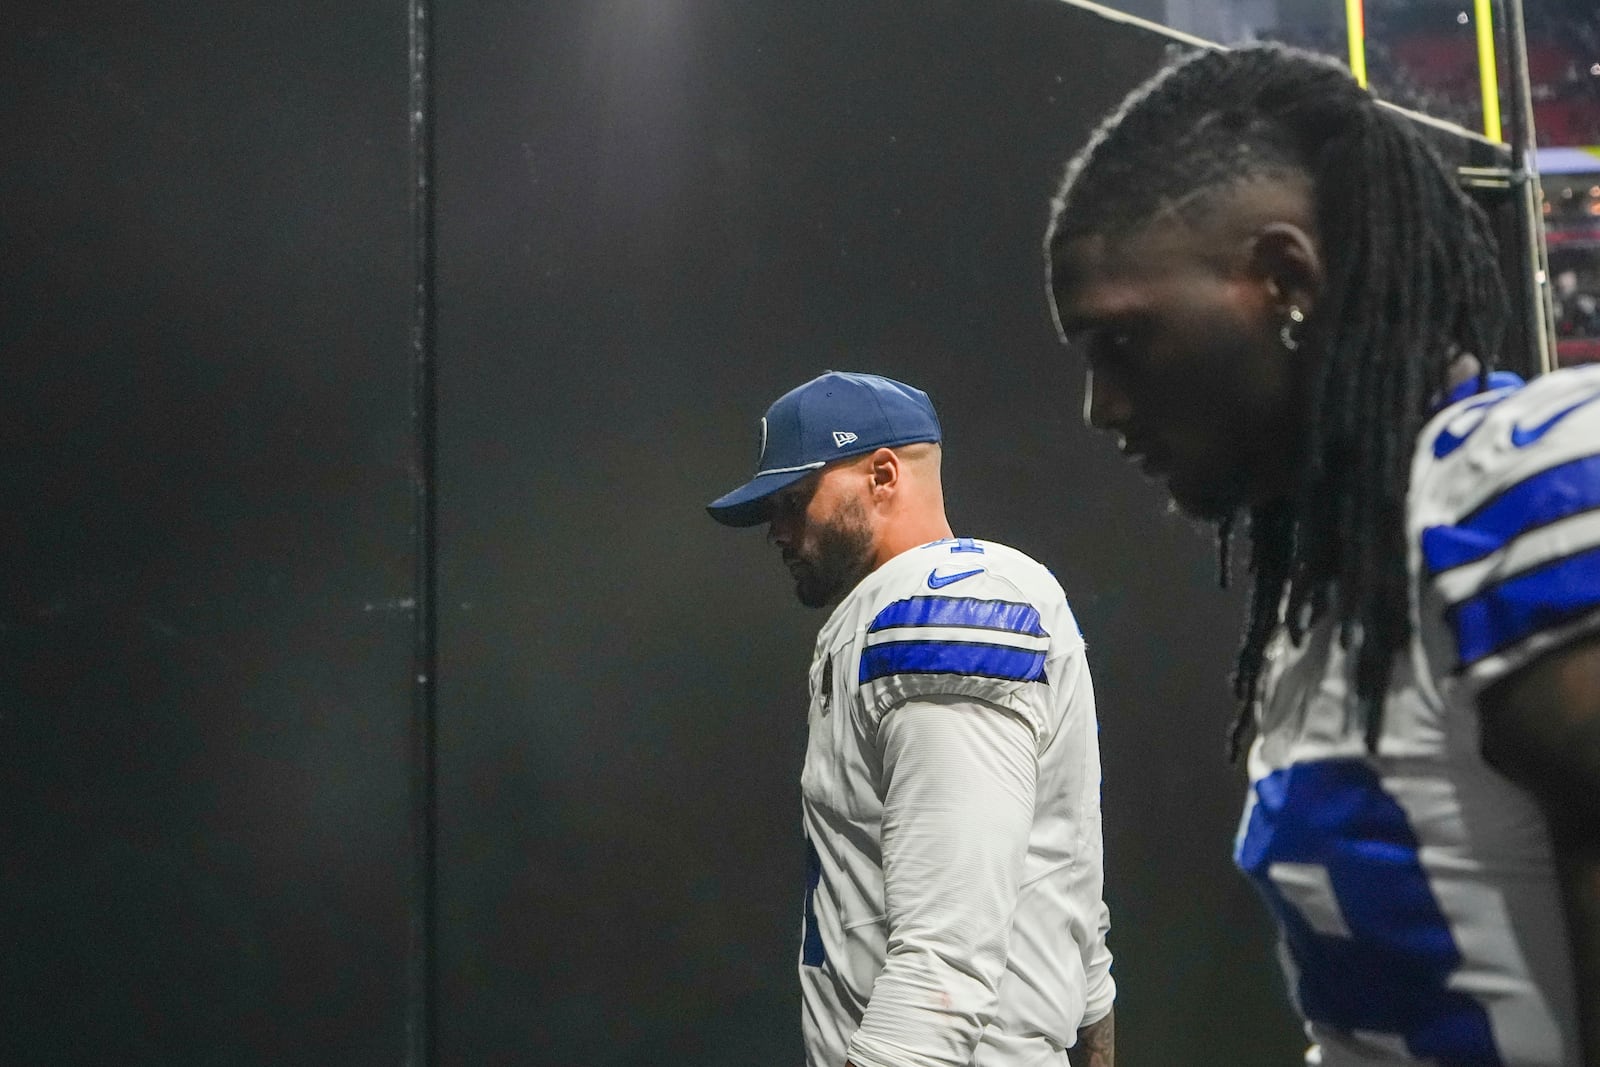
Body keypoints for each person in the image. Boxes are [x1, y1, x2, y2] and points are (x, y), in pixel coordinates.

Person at [1044, 42, 1600, 1067]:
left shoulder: (1516, 496)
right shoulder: (1346, 579)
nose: (1103, 409)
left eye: (1121, 344)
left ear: (1283, 280)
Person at [707, 371, 1115, 1067]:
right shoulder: (907, 609)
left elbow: (944, 956)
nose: (777, 528)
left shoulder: (941, 604)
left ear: (884, 474)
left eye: (794, 499)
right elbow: (1070, 908)